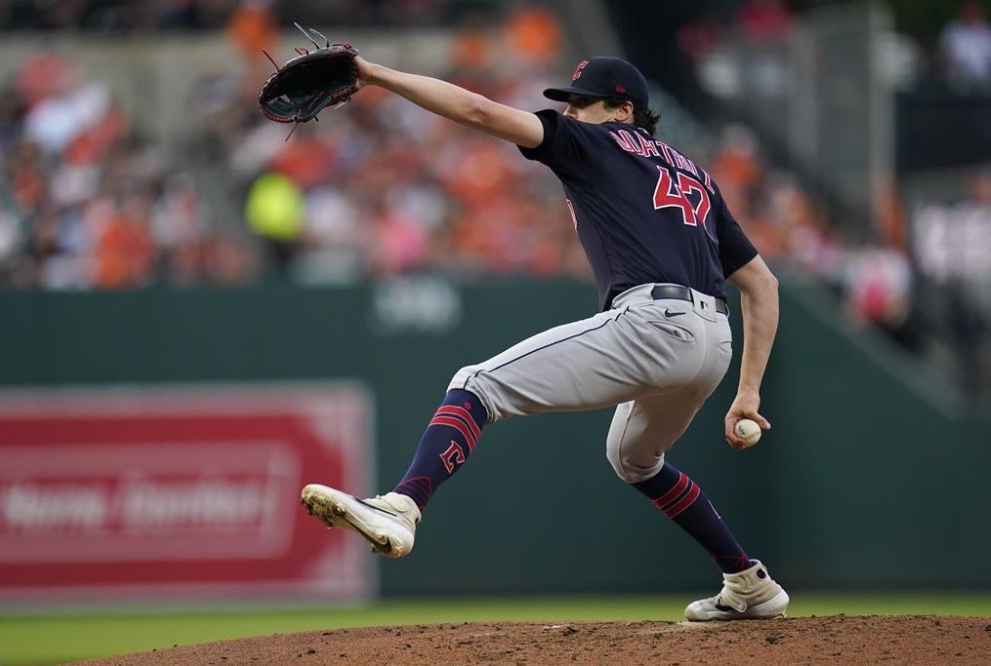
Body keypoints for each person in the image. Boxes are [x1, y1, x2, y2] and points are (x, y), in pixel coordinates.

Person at [301, 52, 787, 621]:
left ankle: (403, 505)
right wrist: (747, 392)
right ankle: (747, 581)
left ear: (622, 108)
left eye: (583, 102)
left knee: (476, 384)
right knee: (633, 458)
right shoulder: (693, 172)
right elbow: (762, 283)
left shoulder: (597, 141)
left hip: (654, 324)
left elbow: (478, 110)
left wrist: (373, 73)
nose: (572, 112)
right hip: (714, 344)